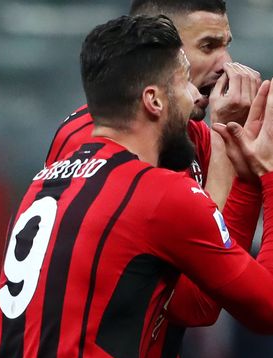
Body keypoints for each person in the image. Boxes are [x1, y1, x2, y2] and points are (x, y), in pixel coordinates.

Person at [0, 14, 273, 358]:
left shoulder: (45, 181)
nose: (195, 97)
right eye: (183, 80)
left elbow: (195, 303)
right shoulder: (157, 193)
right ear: (153, 100)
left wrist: (236, 170)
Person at [45, 0, 260, 209]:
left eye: (225, 45)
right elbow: (198, 239)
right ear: (162, 47)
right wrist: (226, 137)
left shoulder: (197, 135)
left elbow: (226, 242)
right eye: (208, 46)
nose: (227, 64)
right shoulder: (90, 138)